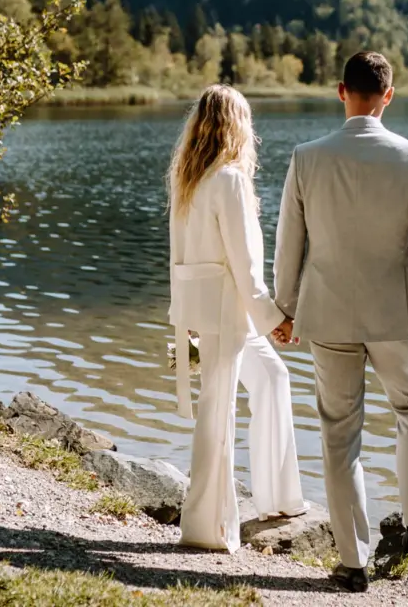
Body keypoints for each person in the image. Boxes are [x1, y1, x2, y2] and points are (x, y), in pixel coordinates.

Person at [272, 51, 408, 592]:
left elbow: (289, 247)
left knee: (338, 433)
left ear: (339, 91)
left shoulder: (306, 158)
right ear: (388, 96)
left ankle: (352, 563)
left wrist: (286, 310)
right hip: (395, 315)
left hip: (326, 315)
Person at [167, 84, 306, 552]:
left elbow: (178, 256)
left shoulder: (189, 177)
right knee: (218, 409)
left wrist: (179, 313)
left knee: (272, 378)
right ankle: (205, 527)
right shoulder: (227, 179)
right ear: (236, 126)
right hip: (230, 311)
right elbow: (245, 266)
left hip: (213, 310)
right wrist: (276, 320)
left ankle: (279, 497)